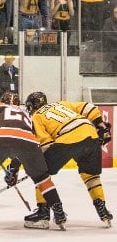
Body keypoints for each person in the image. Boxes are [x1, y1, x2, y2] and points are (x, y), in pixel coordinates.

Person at [0, 93, 67, 230]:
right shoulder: (28, 115)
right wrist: (13, 170)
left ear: (1, 101)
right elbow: (20, 143)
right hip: (28, 141)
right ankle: (59, 212)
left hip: (0, 138)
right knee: (42, 178)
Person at [22, 91, 113, 228]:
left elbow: (45, 144)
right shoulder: (61, 104)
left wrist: (40, 165)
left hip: (67, 138)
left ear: (32, 106)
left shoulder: (37, 116)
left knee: (40, 172)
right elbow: (89, 108)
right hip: (90, 134)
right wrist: (100, 125)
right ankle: (102, 208)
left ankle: (44, 212)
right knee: (90, 175)